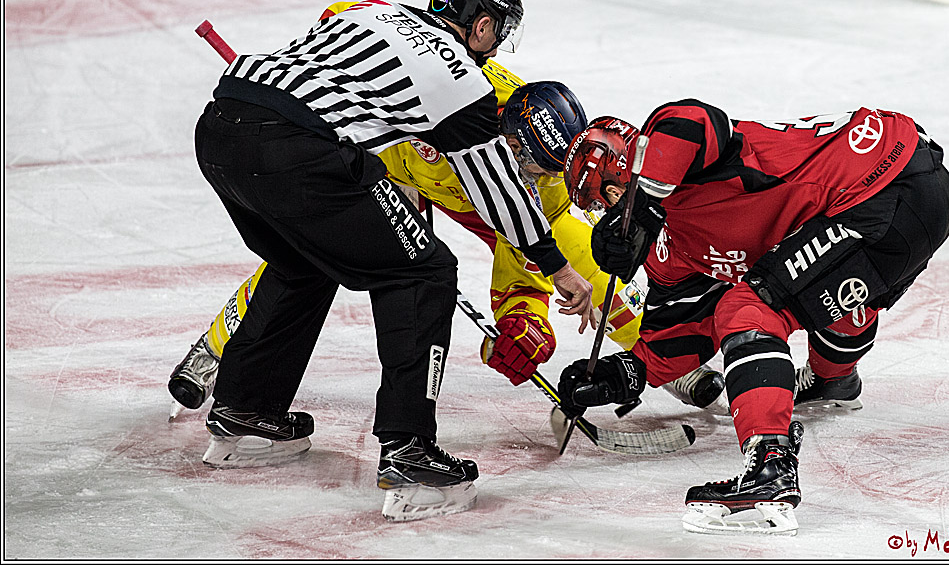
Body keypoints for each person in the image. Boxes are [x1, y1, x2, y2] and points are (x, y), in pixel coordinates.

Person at [191, 0, 596, 522]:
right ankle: (409, 450)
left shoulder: (372, 11)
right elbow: (499, 190)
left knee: (302, 263)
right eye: (498, 30)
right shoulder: (461, 79)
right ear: (480, 25)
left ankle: (247, 411)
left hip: (221, 128)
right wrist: (558, 269)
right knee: (423, 270)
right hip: (297, 151)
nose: (498, 45)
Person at [170, 73, 725, 427]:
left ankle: (660, 358)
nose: (526, 174)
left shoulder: (543, 183)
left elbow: (531, 258)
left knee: (583, 264)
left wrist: (521, 325)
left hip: (480, 204)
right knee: (310, 254)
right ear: (503, 128)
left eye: (539, 169)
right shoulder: (462, 94)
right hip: (390, 169)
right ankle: (219, 345)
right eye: (521, 158)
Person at [557, 101, 949, 534]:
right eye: (602, 207)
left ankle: (770, 466)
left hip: (882, 182)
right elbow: (682, 327)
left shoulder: (674, 148)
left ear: (626, 168)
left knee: (750, 308)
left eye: (609, 197)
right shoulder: (669, 248)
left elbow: (691, 121)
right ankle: (833, 378)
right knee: (812, 291)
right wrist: (625, 373)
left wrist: (647, 201)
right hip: (893, 205)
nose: (610, 214)